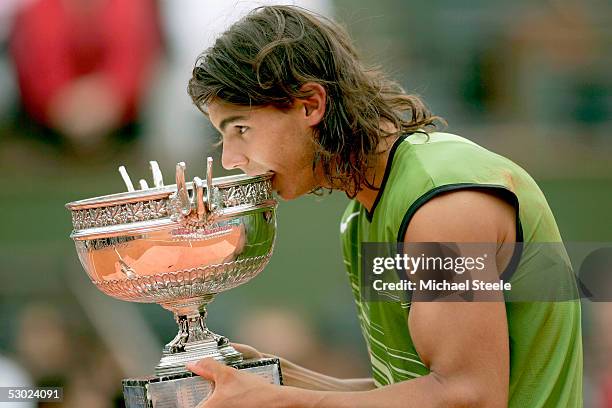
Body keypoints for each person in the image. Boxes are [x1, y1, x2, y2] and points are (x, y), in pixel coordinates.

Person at [185, 5, 583, 407]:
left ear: (309, 104)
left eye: (241, 128)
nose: (230, 159)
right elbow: (409, 390)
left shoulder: (441, 204)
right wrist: (280, 379)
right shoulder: (361, 216)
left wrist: (280, 402)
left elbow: (470, 396)